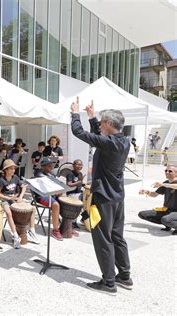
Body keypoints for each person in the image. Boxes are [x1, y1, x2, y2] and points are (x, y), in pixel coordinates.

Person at [71, 97, 132, 295]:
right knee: (117, 236)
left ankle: (108, 283)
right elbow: (99, 137)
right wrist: (92, 117)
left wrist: (75, 114)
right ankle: (124, 276)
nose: (100, 125)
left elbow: (78, 132)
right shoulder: (122, 141)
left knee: (103, 239)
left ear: (108, 124)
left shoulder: (109, 143)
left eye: (102, 122)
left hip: (104, 198)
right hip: (117, 198)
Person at [0, 159, 36, 248]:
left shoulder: (16, 177)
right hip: (5, 199)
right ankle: (15, 235)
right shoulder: (2, 180)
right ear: (5, 170)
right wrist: (8, 198)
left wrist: (21, 196)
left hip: (14, 198)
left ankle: (32, 231)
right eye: (11, 169)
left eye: (14, 168)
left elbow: (24, 187)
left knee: (32, 208)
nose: (13, 170)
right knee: (9, 213)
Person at [138, 165, 177, 235]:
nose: (167, 172)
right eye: (166, 170)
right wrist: (146, 192)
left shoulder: (166, 184)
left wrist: (163, 184)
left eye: (170, 171)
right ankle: (168, 224)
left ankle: (170, 223)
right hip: (167, 210)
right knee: (142, 214)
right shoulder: (165, 183)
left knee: (165, 219)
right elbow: (155, 194)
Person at [35, 158, 63, 241]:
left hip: (51, 195)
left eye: (52, 164)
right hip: (42, 196)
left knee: (64, 199)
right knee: (55, 205)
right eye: (49, 165)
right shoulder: (39, 174)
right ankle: (55, 230)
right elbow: (45, 190)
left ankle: (67, 225)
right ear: (43, 166)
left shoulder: (51, 174)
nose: (51, 166)